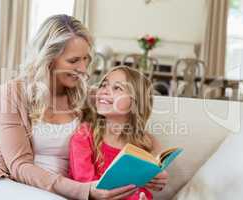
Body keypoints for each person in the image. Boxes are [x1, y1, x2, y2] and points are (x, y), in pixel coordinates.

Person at [0, 15, 141, 200]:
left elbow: (128, 122)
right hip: (8, 181)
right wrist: (83, 190)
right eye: (73, 61)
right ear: (49, 59)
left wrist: (148, 173)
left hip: (64, 190)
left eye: (86, 59)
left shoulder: (88, 96)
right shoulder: (14, 93)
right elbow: (20, 166)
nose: (84, 69)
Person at [69, 66, 168, 200]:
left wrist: (159, 180)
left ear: (135, 102)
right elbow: (84, 182)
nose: (104, 91)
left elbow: (155, 182)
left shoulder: (146, 142)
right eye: (103, 85)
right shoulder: (85, 134)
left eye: (117, 88)